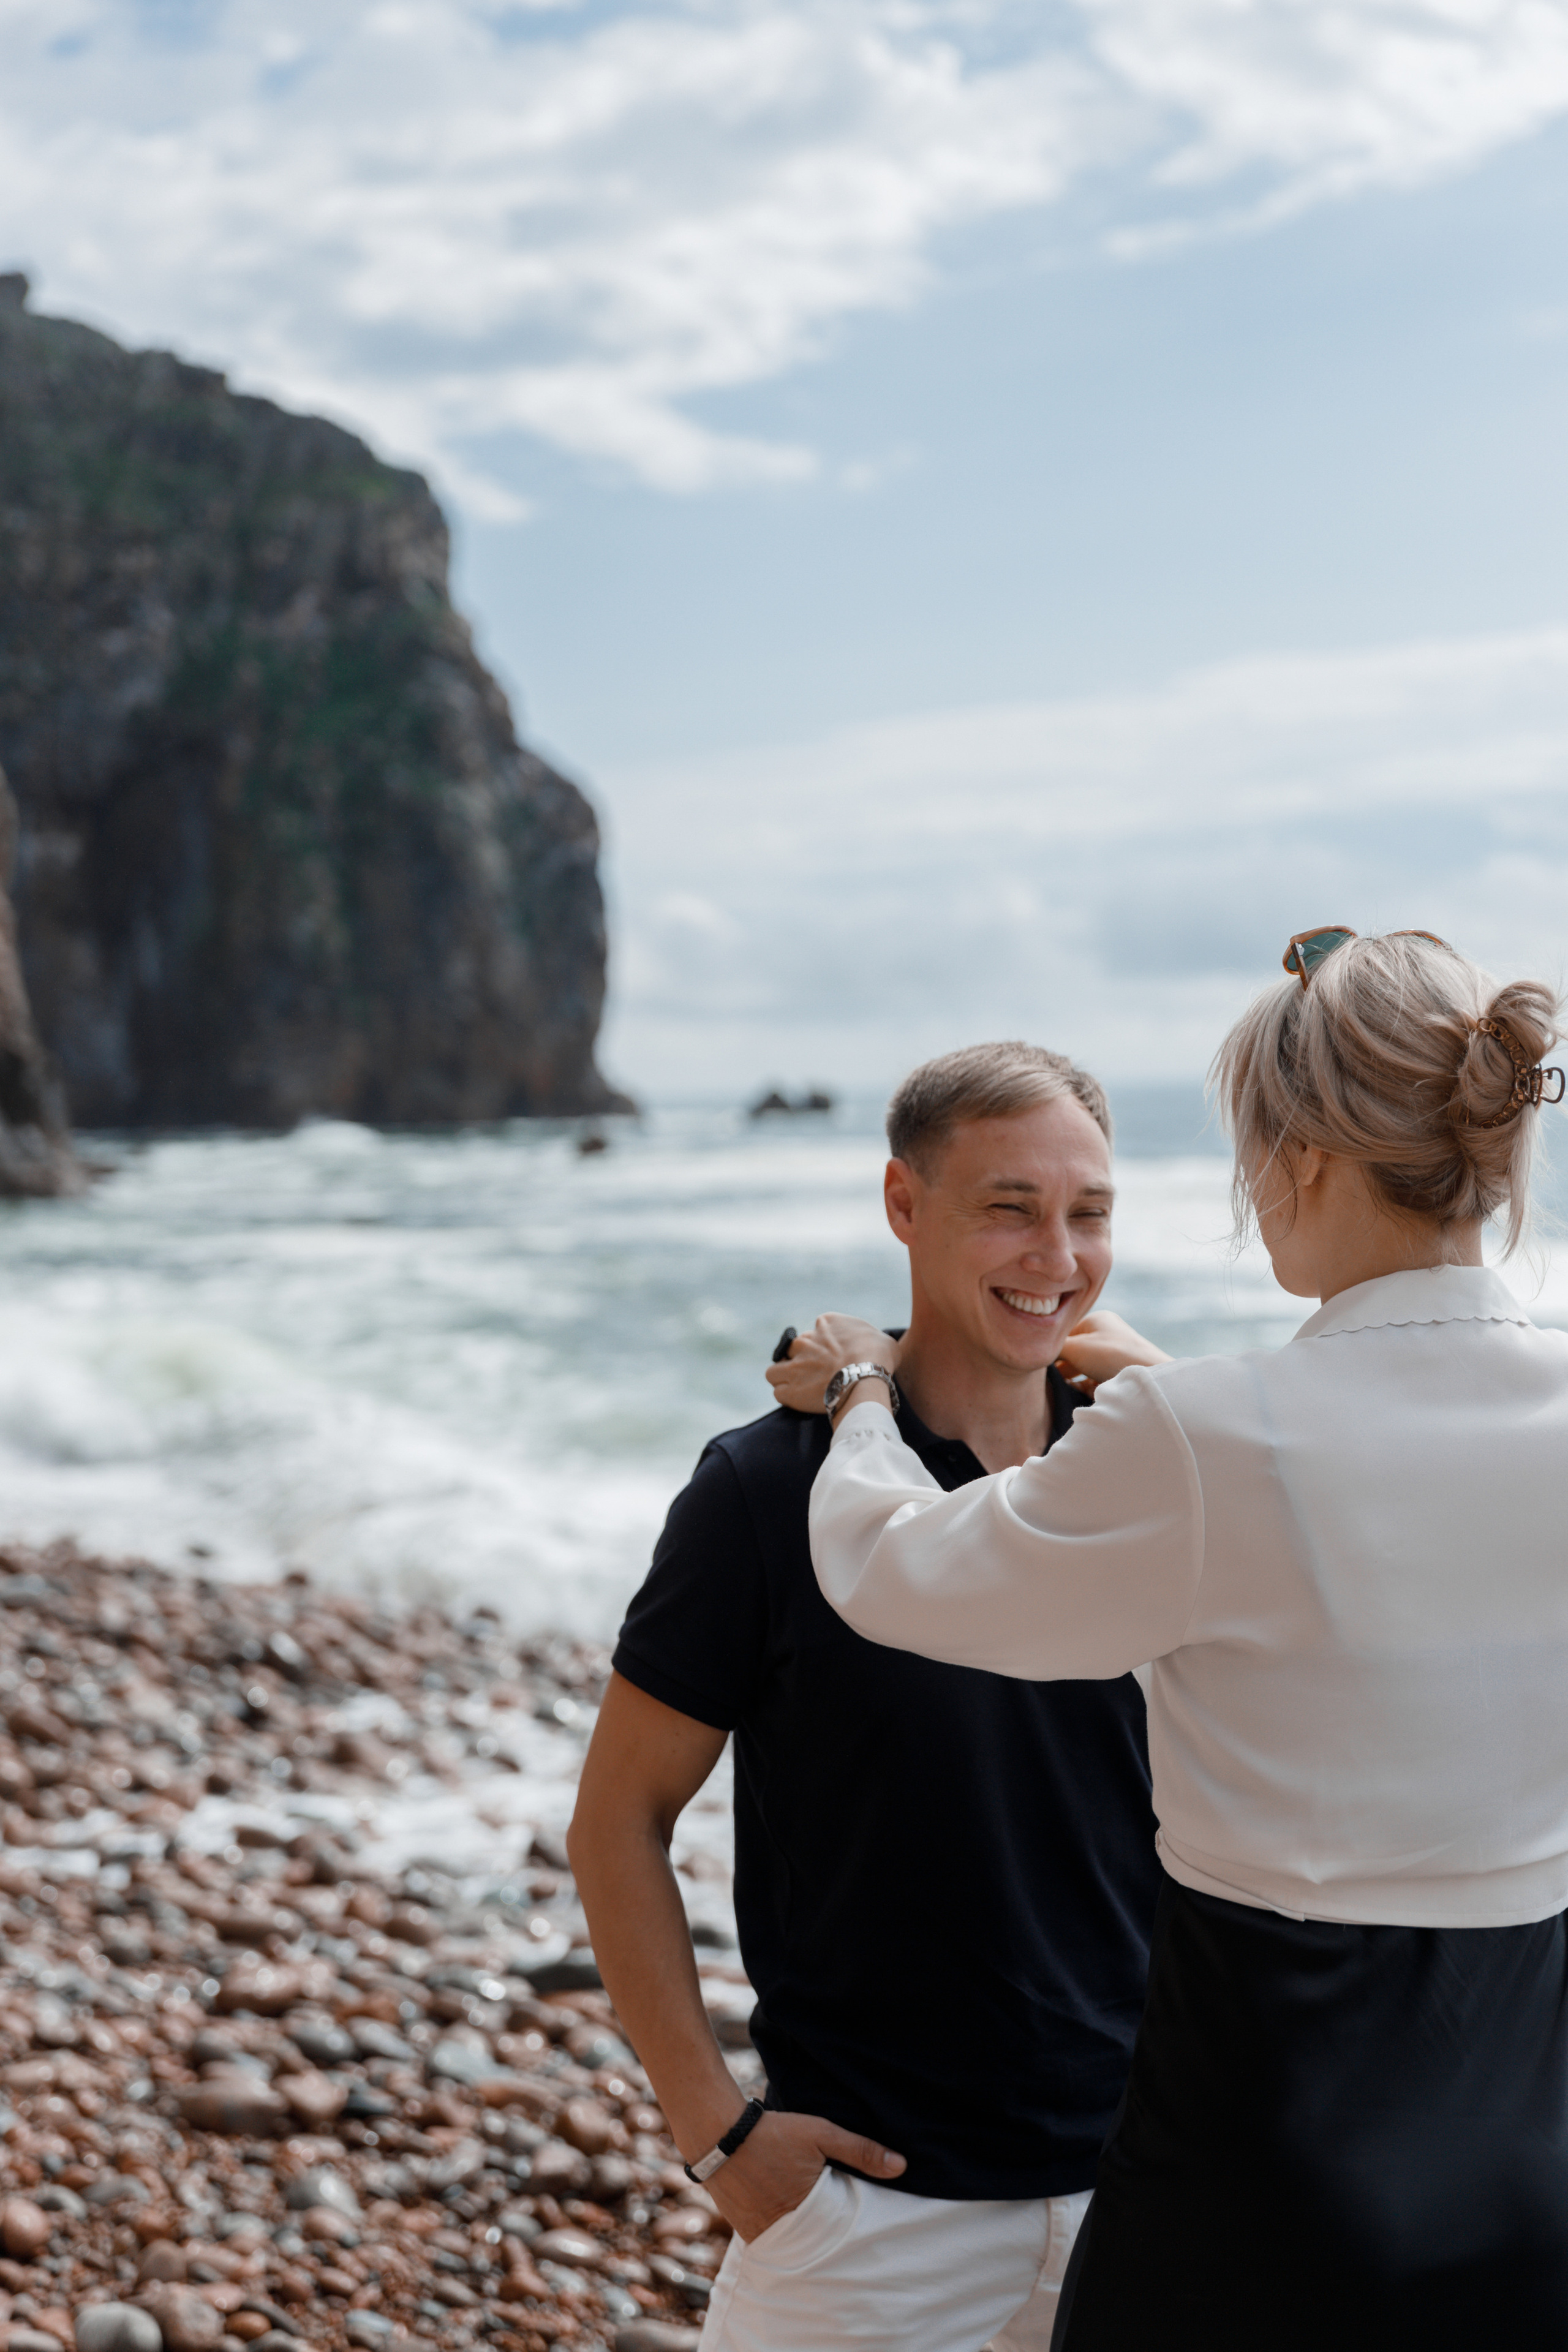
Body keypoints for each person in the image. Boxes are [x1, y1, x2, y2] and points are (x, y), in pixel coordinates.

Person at [800, 929, 1568, 2350]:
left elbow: (890, 1572)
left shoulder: (1206, 1440)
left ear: (1304, 1162)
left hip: (1265, 2160)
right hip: (1532, 2159)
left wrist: (858, 1393)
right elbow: (1372, 1485)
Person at [567, 1042, 1169, 2352]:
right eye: (1007, 1207)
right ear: (904, 1205)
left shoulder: (1155, 1478)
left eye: (1088, 1215)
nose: (1053, 1257)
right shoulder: (763, 1493)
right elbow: (617, 1820)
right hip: (871, 2218)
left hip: (1146, 2193)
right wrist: (715, 2135)